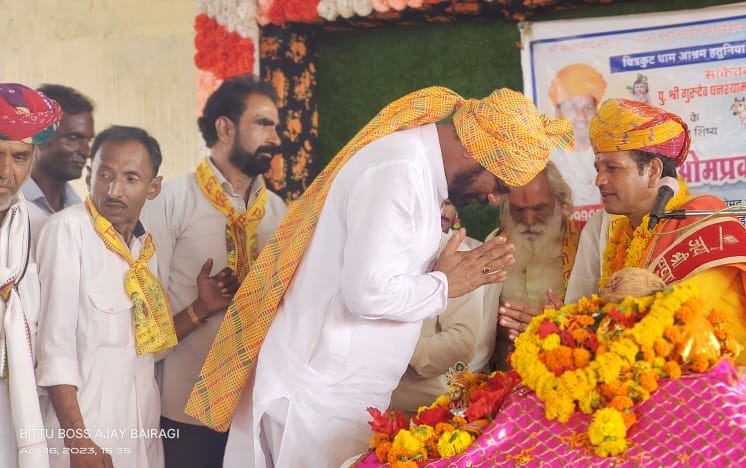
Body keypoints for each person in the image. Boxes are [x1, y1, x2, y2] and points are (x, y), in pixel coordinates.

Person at [184, 86, 573, 466]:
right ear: (475, 149)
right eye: (498, 185)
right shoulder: (399, 172)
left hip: (339, 395)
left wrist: (436, 276)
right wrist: (445, 285)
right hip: (318, 399)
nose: (492, 199)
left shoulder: (417, 172)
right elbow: (367, 293)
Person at [565, 98, 746, 384]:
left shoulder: (704, 218)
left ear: (653, 171)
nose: (600, 180)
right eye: (598, 168)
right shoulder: (623, 233)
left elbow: (675, 313)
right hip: (665, 365)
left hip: (733, 366)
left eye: (613, 168)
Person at [35, 126, 234, 468]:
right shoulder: (68, 231)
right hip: (85, 436)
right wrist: (78, 441)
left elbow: (147, 347)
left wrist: (202, 307)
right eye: (104, 175)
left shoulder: (143, 250)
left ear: (153, 187)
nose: (114, 190)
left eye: (131, 178)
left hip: (139, 435)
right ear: (89, 176)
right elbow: (55, 350)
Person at [140, 75, 289, 468]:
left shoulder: (277, 211)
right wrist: (201, 307)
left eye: (275, 126)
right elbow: (146, 314)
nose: (275, 137)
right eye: (263, 124)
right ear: (225, 128)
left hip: (254, 408)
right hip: (184, 409)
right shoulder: (171, 201)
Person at [0, 82, 62, 468]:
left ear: (33, 158)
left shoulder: (44, 231)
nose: (5, 172)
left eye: (19, 157)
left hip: (18, 412)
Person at [486, 161, 579, 371]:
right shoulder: (494, 243)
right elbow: (480, 316)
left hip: (566, 369)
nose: (528, 220)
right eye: (518, 210)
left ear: (559, 202)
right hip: (506, 370)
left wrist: (560, 321)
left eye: (539, 208)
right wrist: (502, 324)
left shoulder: (583, 243)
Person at [389, 231, 490, 415]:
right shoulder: (362, 243)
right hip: (347, 395)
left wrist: (394, 349)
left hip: (414, 412)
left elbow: (462, 343)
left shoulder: (454, 252)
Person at [22, 84, 94, 215]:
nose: (85, 152)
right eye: (73, 138)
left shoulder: (80, 210)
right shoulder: (9, 203)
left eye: (88, 140)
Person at [547, 63, 607, 209]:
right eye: (572, 108)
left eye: (588, 108)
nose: (581, 117)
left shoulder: (610, 153)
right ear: (559, 113)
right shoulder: (548, 159)